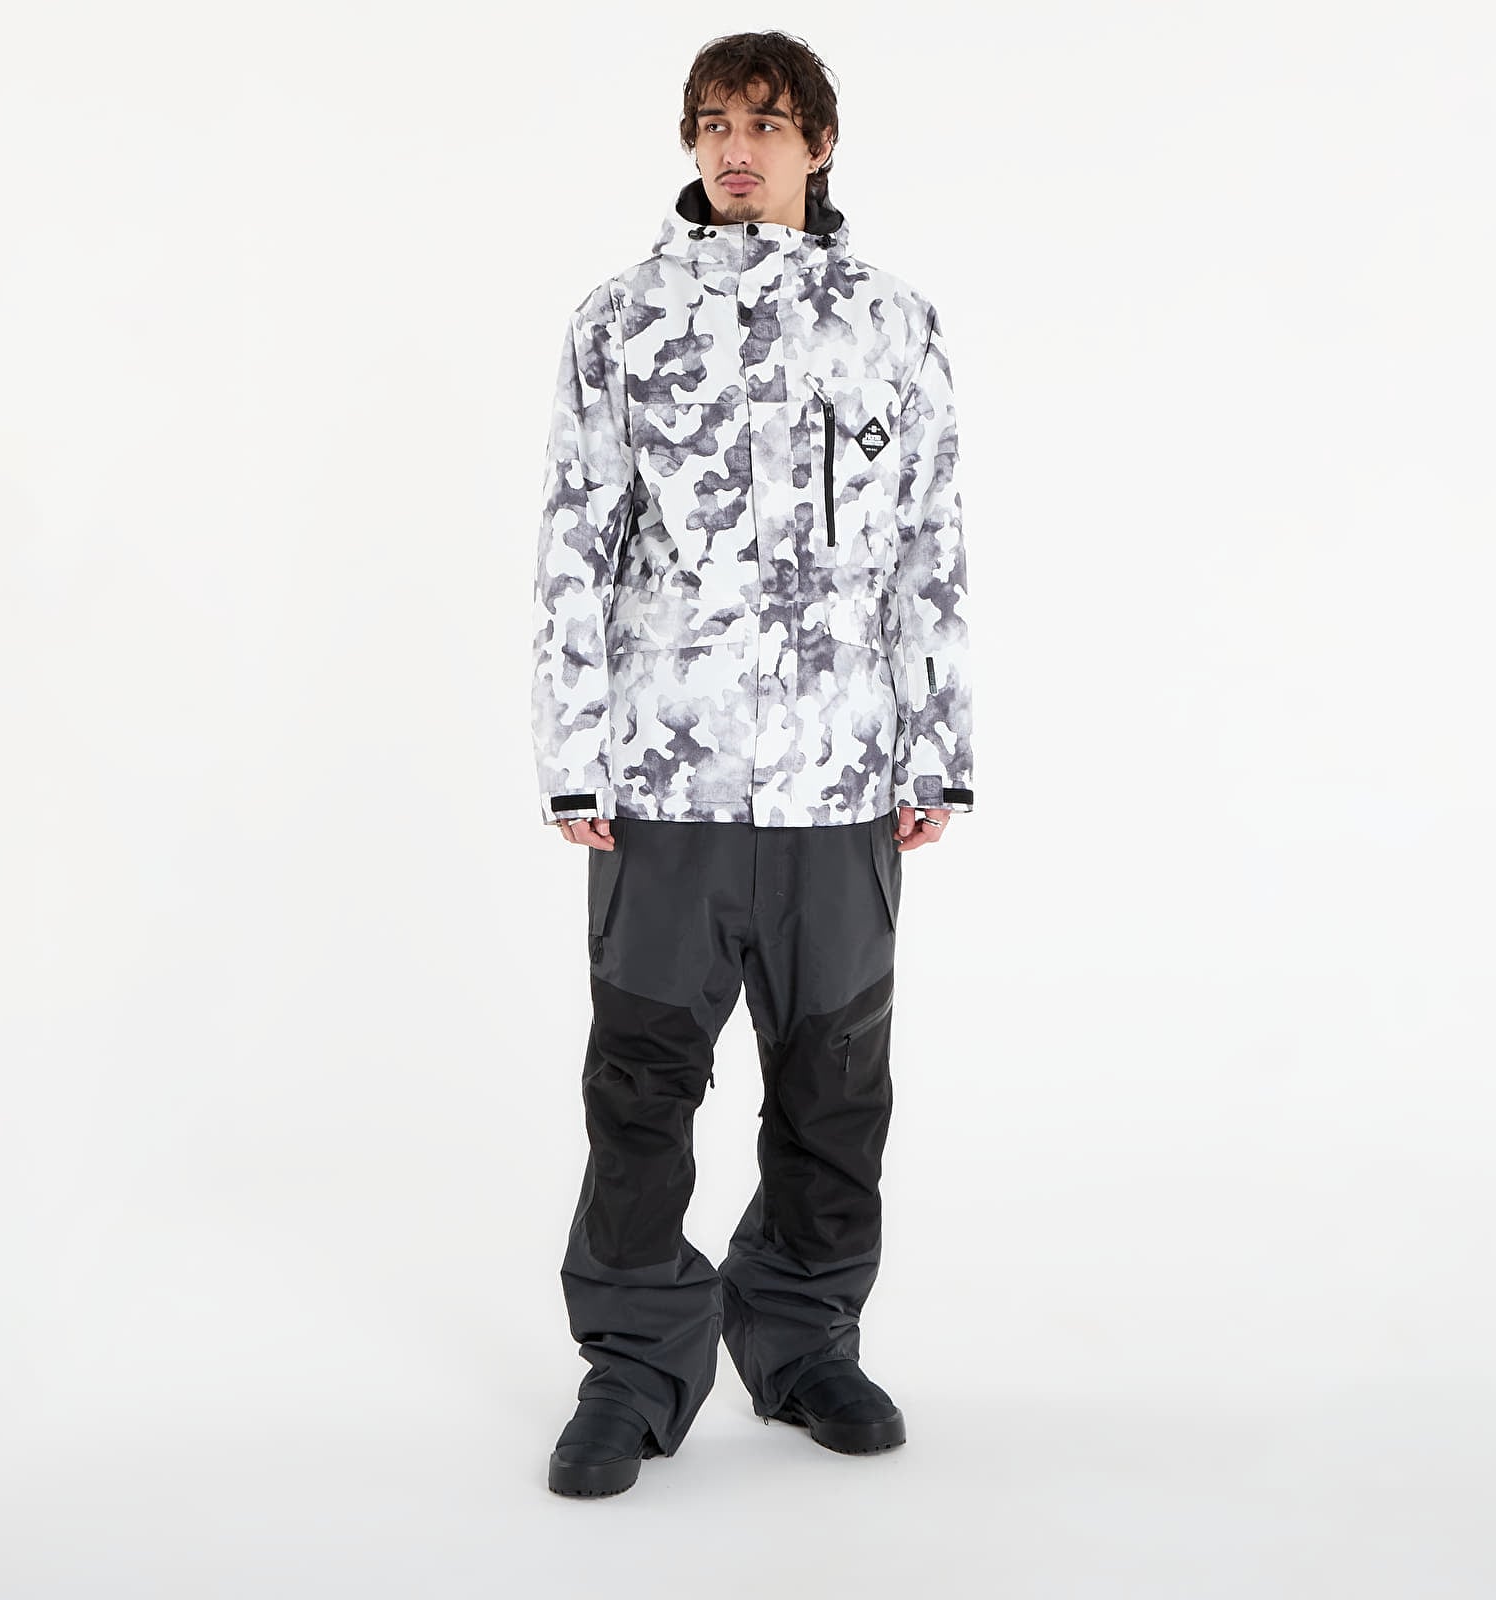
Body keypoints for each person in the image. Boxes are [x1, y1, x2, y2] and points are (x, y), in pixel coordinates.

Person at [529, 29, 975, 1498]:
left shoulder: (891, 321)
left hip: (842, 774)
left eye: (766, 125)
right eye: (714, 125)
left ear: (818, 144)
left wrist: (936, 749)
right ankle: (633, 1365)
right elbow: (575, 545)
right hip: (668, 775)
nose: (737, 149)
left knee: (834, 1081)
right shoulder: (622, 320)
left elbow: (927, 545)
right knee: (642, 1081)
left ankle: (805, 1336)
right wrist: (576, 756)